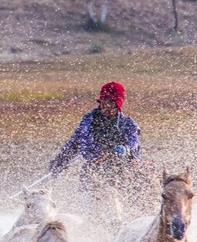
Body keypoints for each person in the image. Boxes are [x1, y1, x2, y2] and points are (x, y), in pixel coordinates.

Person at [47, 81, 143, 222]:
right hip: (93, 172)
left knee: (127, 201)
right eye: (103, 102)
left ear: (118, 104)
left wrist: (126, 149)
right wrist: (59, 162)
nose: (106, 106)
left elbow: (134, 144)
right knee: (85, 206)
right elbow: (74, 144)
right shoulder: (88, 121)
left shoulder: (128, 124)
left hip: (122, 171)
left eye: (111, 102)